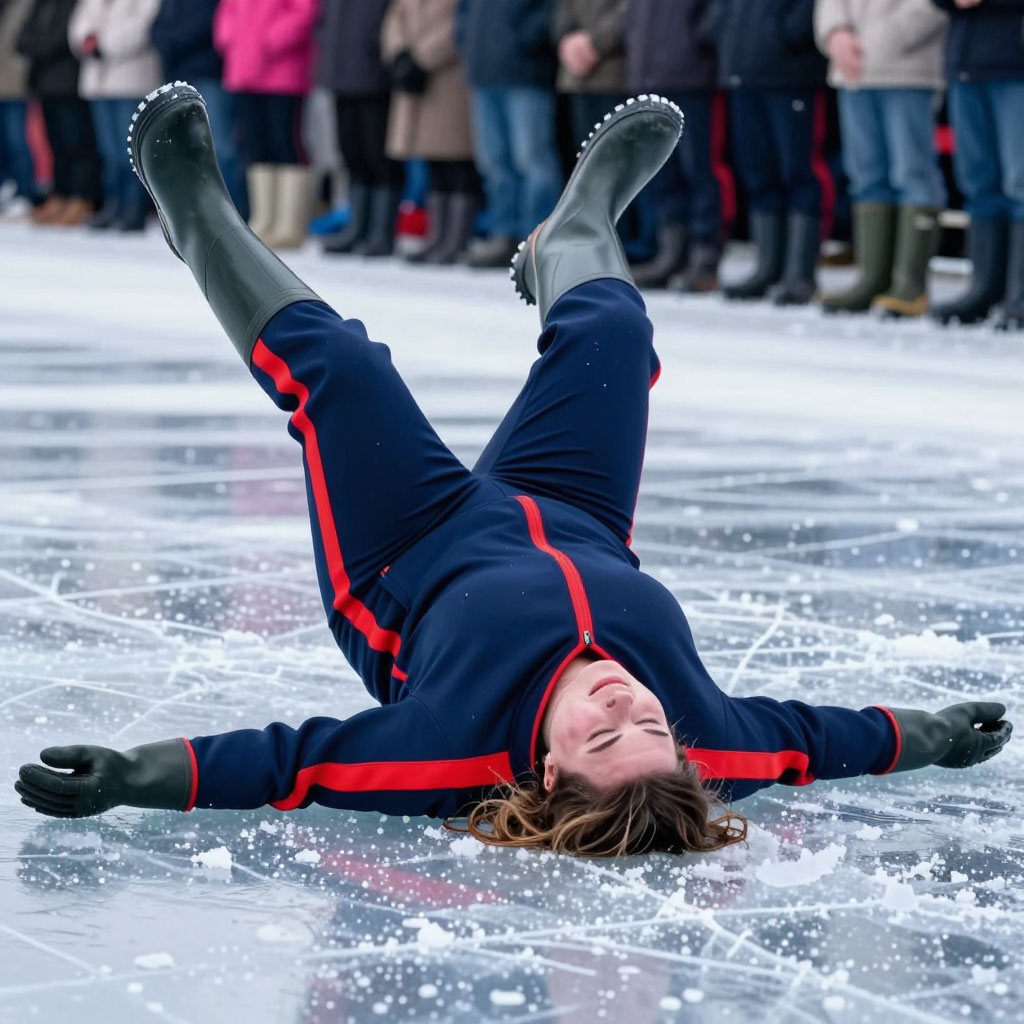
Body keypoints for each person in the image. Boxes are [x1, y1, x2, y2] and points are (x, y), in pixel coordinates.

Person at [15, 83, 1013, 857]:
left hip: (405, 550)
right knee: (615, 334)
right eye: (652, 725)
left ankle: (197, 219)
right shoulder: (713, 736)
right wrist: (934, 730)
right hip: (572, 512)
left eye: (604, 735)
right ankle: (572, 238)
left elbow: (292, 764)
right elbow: (823, 741)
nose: (628, 703)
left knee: (342, 370)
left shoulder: (453, 748)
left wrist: (132, 774)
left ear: (546, 772)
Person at [815, 0, 948, 318]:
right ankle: (872, 278)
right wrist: (835, 33)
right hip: (854, 70)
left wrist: (885, 39)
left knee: (912, 174)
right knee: (865, 176)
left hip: (907, 67)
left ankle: (910, 284)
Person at [711, 0, 833, 305]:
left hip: (791, 73)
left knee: (800, 172)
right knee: (758, 174)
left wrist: (784, 34)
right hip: (744, 71)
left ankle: (800, 273)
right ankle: (767, 267)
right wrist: (726, 33)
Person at [930, 0, 1024, 329]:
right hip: (967, 61)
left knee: (1020, 182)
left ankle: (1020, 293)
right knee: (978, 182)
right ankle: (985, 287)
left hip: (1015, 62)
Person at [624, 0, 726, 292]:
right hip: (649, 73)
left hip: (692, 73)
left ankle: (705, 250)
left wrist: (696, 38)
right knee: (661, 171)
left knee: (700, 168)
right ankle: (672, 251)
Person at [455, 0, 563, 268]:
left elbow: (550, 10)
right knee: (494, 162)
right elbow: (464, 11)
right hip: (483, 70)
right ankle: (503, 235)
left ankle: (536, 241)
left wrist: (526, 38)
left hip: (526, 71)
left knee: (533, 161)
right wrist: (466, 38)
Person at [213, 0, 318, 250]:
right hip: (243, 68)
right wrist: (232, 38)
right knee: (255, 144)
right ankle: (264, 219)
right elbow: (228, 11)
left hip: (282, 70)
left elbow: (303, 13)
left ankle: (288, 224)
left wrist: (266, 41)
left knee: (284, 143)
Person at [381, 0, 479, 266]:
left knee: (455, 160)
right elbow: (396, 15)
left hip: (448, 76)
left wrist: (422, 58)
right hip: (413, 74)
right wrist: (399, 53)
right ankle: (436, 236)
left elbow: (459, 23)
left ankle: (455, 240)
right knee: (432, 160)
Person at [317, 0, 405, 258]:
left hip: (373, 72)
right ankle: (357, 227)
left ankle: (381, 231)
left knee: (378, 155)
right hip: (340, 70)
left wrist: (380, 51)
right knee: (351, 153)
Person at [68, 0, 161, 231]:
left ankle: (134, 207)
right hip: (98, 80)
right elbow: (80, 22)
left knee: (131, 151)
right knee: (108, 150)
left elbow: (142, 27)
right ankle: (114, 204)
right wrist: (87, 41)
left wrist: (104, 45)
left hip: (131, 79)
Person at [149, 0, 246, 219]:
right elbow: (157, 25)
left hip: (207, 73)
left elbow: (206, 25)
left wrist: (172, 43)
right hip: (176, 75)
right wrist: (163, 41)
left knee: (219, 146)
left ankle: (231, 209)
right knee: (184, 147)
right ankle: (196, 208)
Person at [15, 0, 103, 225]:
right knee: (57, 144)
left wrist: (37, 47)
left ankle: (82, 196)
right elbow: (23, 36)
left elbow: (65, 35)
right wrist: (35, 45)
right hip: (43, 82)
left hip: (68, 81)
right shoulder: (43, 3)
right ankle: (61, 194)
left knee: (77, 143)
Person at [0, 0, 37, 219]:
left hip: (15, 84)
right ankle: (6, 187)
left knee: (17, 141)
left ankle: (24, 192)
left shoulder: (26, 4)